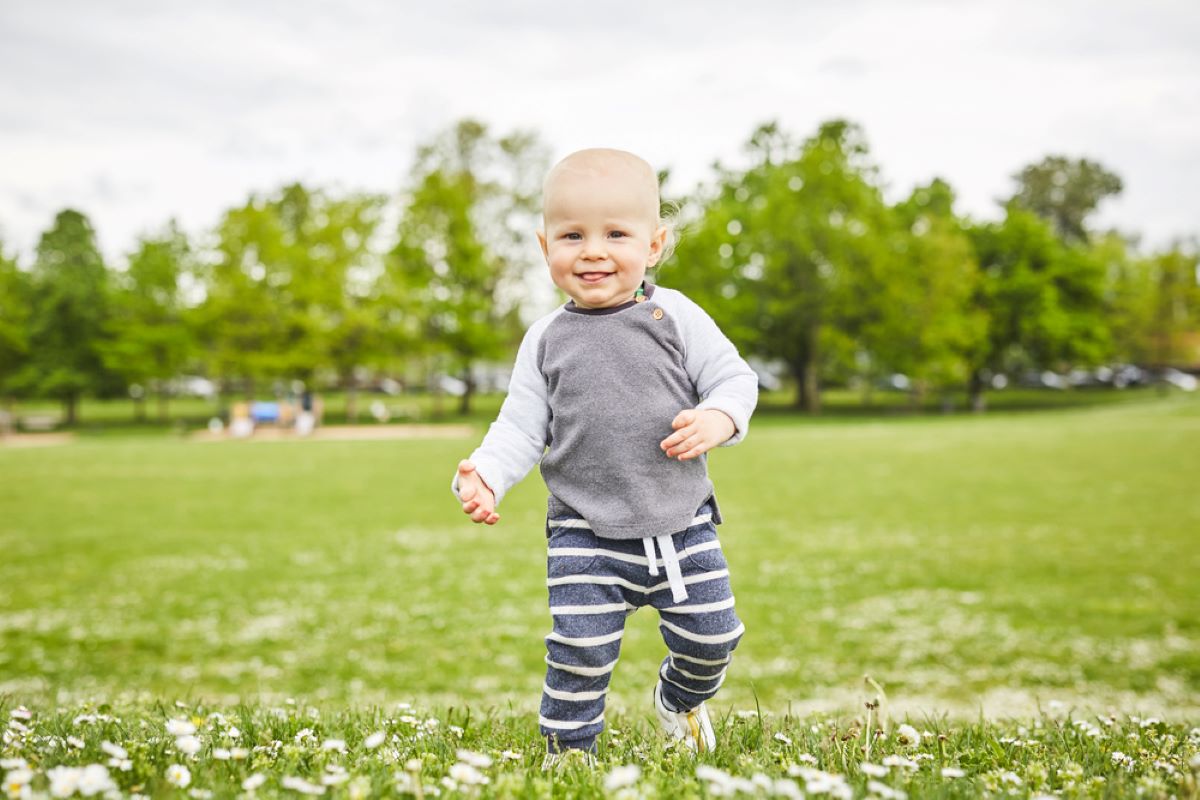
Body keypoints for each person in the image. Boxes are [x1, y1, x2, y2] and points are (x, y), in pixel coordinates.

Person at [451, 148, 758, 762]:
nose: (593, 250)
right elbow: (520, 426)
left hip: (681, 520)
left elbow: (735, 379)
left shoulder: (674, 316)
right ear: (545, 249)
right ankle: (569, 752)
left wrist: (719, 417)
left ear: (653, 244)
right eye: (572, 235)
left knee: (713, 638)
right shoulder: (546, 339)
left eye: (615, 233)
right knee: (580, 651)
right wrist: (486, 472)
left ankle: (679, 699)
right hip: (583, 529)